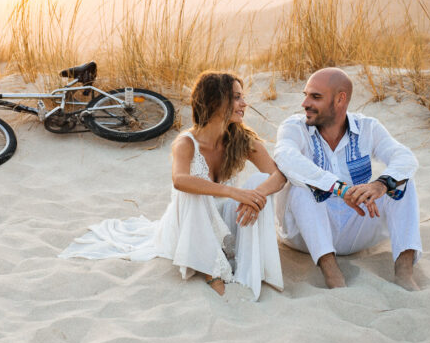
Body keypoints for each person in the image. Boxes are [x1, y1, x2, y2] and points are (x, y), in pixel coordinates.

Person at [61, 71, 285, 300]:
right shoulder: (186, 143)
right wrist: (234, 192)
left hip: (224, 222)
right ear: (215, 102)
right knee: (193, 190)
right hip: (186, 224)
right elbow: (180, 180)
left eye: (242, 97)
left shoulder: (242, 140)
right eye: (236, 97)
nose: (244, 103)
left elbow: (278, 176)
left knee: (260, 183)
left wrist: (254, 196)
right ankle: (212, 269)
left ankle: (252, 265)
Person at [273, 67, 422, 290]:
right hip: (305, 234)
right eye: (305, 95)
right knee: (302, 187)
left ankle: (404, 271)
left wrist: (381, 184)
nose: (305, 103)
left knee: (402, 183)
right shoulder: (294, 127)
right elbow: (285, 156)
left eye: (315, 97)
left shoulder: (368, 127)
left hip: (356, 225)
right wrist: (340, 189)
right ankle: (332, 274)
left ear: (340, 99)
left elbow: (405, 157)